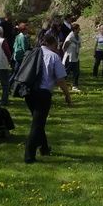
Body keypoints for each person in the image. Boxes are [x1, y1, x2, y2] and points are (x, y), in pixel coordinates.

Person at [24, 33, 72, 163]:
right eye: (55, 45)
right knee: (37, 124)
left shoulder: (31, 53)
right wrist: (67, 95)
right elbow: (61, 80)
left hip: (28, 92)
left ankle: (44, 148)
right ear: (51, 44)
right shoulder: (53, 57)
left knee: (39, 122)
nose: (56, 48)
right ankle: (29, 155)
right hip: (43, 93)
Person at [61, 22, 81, 92]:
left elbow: (79, 44)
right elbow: (64, 48)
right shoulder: (70, 37)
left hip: (75, 57)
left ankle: (75, 86)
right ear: (74, 29)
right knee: (66, 72)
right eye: (78, 29)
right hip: (69, 58)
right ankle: (61, 85)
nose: (80, 30)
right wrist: (67, 54)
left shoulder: (78, 37)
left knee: (77, 72)